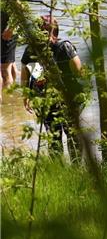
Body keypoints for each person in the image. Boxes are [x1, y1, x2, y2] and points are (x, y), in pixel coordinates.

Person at [21, 15, 85, 161]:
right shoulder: (65, 46)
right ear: (56, 30)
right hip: (69, 96)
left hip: (45, 99)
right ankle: (76, 167)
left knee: (53, 135)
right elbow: (79, 72)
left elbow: (27, 75)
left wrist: (26, 96)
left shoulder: (31, 49)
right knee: (73, 134)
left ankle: (58, 169)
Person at [1, 9, 18, 97]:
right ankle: (11, 98)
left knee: (4, 71)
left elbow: (19, 7)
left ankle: (6, 100)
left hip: (6, 32)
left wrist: (11, 27)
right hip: (8, 30)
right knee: (10, 65)